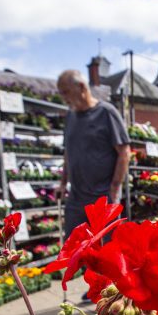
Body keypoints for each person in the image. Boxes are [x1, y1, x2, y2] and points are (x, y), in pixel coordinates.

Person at [57, 69, 130, 238]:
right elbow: (68, 152)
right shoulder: (70, 117)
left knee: (107, 254)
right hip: (76, 199)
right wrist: (62, 183)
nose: (64, 98)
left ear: (81, 87)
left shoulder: (106, 113)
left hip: (102, 198)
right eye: (61, 93)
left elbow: (124, 152)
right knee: (74, 253)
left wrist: (114, 188)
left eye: (66, 92)